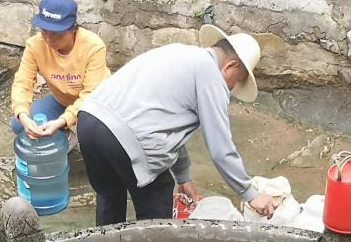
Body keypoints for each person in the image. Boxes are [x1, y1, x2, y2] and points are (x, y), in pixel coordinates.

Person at [76, 25, 277, 225]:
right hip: (122, 136)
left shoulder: (179, 53)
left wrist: (183, 176)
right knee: (158, 192)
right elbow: (221, 148)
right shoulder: (211, 75)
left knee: (110, 196)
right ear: (230, 66)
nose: (232, 88)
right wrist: (250, 194)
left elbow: (164, 127)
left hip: (88, 119)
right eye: (237, 80)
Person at [9, 0, 110, 148]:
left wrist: (63, 120)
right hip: (62, 100)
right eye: (44, 31)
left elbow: (90, 95)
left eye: (56, 33)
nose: (49, 39)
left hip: (97, 105)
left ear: (73, 29)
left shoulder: (93, 47)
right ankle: (67, 137)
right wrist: (23, 115)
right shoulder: (35, 45)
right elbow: (22, 83)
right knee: (18, 124)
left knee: (94, 138)